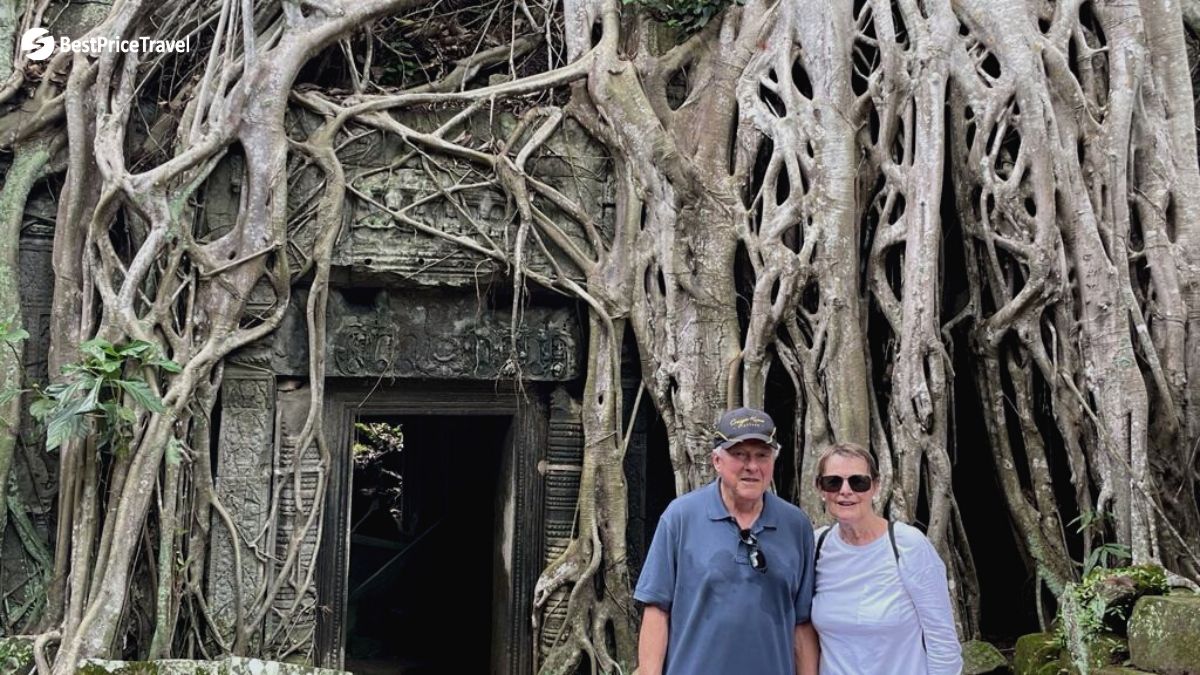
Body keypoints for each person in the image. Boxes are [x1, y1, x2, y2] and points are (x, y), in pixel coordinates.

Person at [634, 407, 819, 675]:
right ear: (717, 461)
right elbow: (656, 609)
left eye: (762, 455)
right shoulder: (681, 517)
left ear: (773, 461)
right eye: (740, 455)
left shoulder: (795, 525)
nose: (752, 466)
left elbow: (801, 624)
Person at [810, 442, 962, 675]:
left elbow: (942, 639)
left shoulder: (906, 544)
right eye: (833, 482)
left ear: (876, 486)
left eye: (858, 482)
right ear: (820, 489)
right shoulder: (816, 546)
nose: (845, 491)